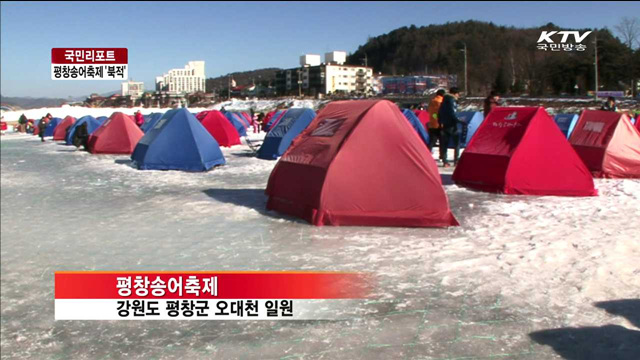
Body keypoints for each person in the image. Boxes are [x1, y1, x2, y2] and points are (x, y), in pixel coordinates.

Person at [438, 87, 463, 167]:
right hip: (452, 124)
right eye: (458, 94)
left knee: (444, 143)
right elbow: (453, 112)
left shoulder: (443, 100)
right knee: (457, 143)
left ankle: (445, 161)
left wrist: (440, 121)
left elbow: (439, 112)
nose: (458, 96)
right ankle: (456, 160)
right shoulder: (452, 100)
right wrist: (459, 120)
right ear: (455, 93)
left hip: (444, 124)